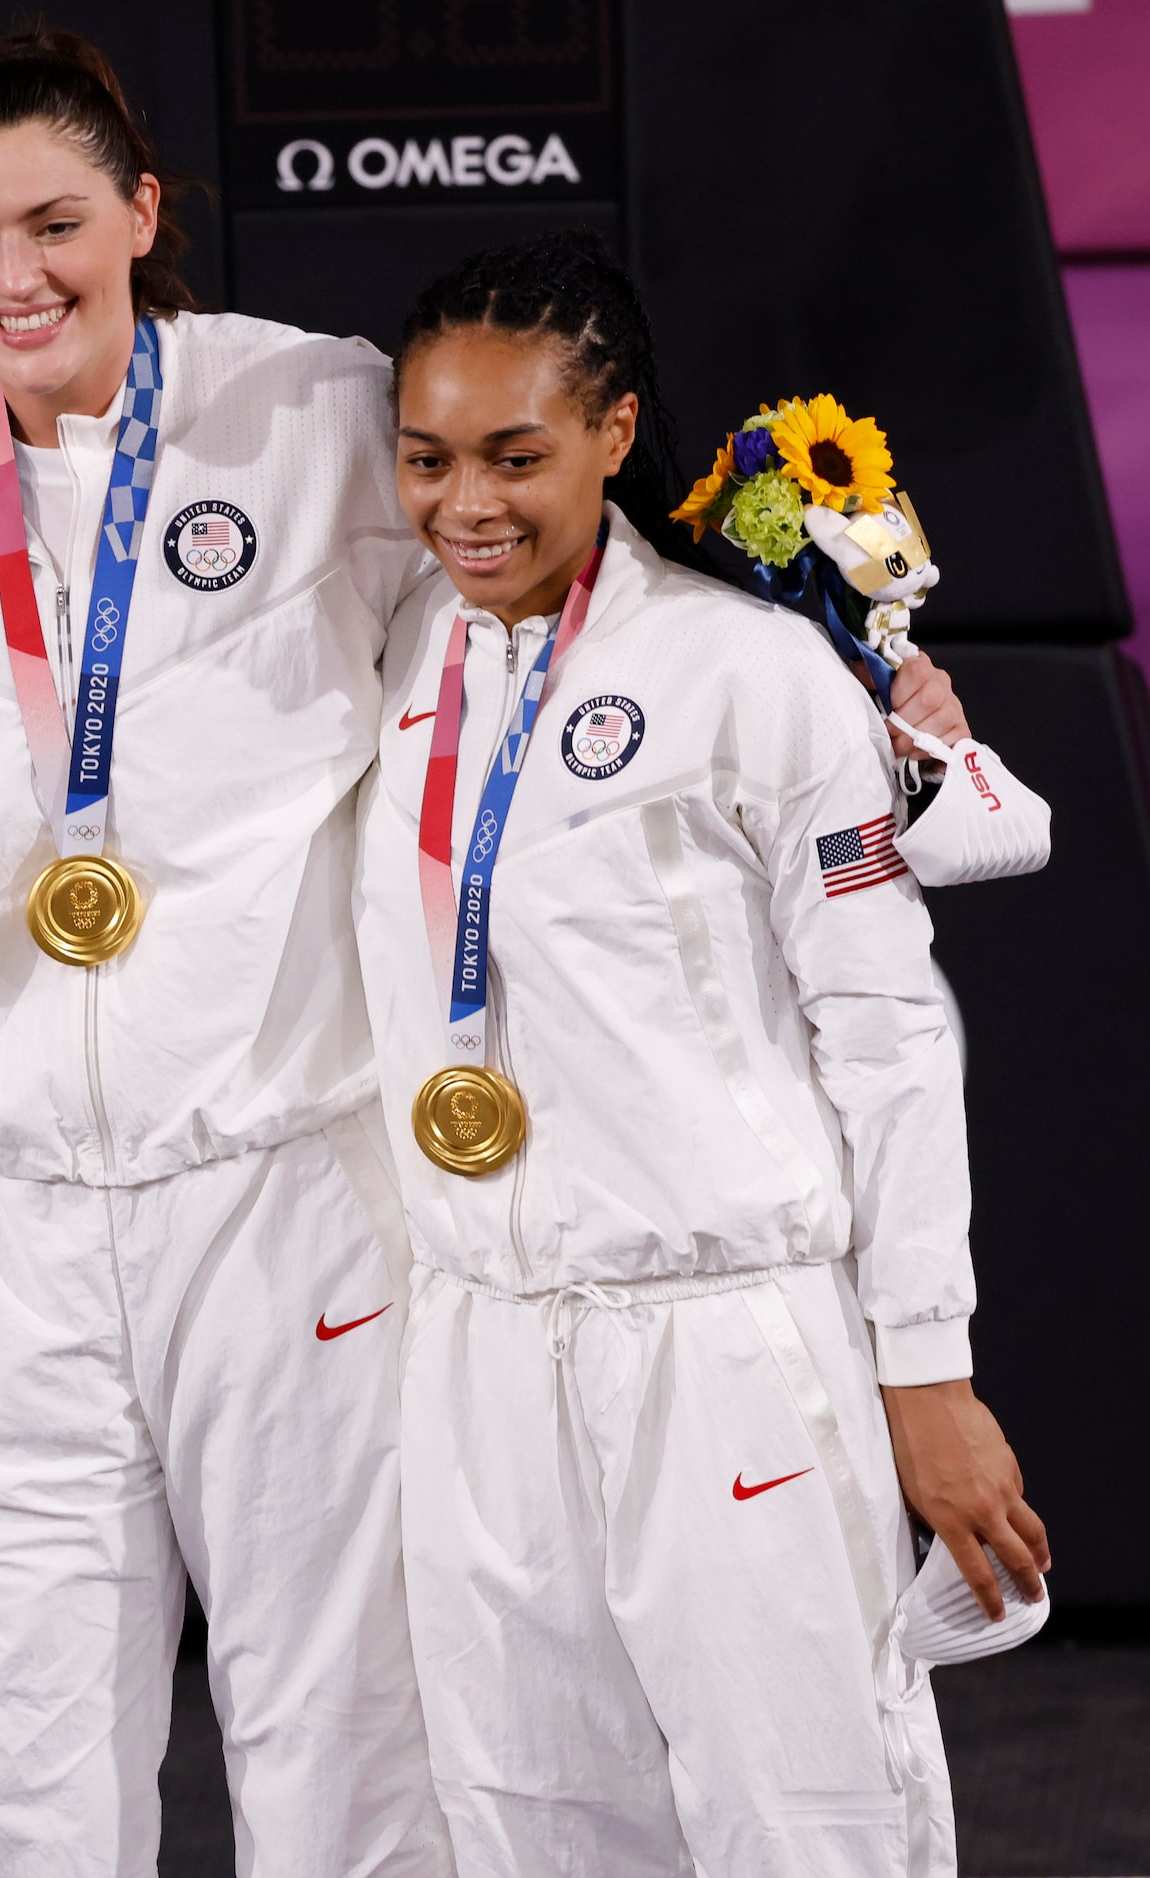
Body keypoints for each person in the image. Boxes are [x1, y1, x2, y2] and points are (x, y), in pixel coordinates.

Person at [0, 32, 453, 1873]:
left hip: (277, 1187)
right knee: (13, 1738)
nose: (15, 276)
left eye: (57, 223)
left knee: (340, 1715)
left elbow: (544, 577)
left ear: (143, 211)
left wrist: (868, 675)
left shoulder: (316, 414)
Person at [355, 229, 1047, 1876]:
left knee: (799, 1815)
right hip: (478, 1347)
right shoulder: (399, 658)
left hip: (726, 1337)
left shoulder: (750, 668)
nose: (467, 504)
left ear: (612, 432)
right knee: (526, 1820)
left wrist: (924, 1370)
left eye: (516, 456)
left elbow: (885, 1033)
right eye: (426, 458)